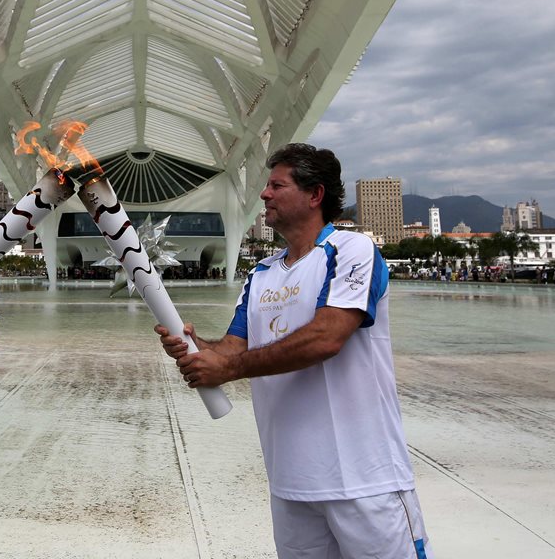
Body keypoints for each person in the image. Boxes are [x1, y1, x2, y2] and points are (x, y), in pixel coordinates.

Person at [157, 143, 432, 558]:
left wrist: (227, 370)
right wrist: (198, 348)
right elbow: (234, 347)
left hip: (365, 480)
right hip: (291, 483)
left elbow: (327, 337)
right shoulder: (262, 274)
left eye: (276, 185)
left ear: (314, 194)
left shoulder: (350, 250)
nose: (264, 195)